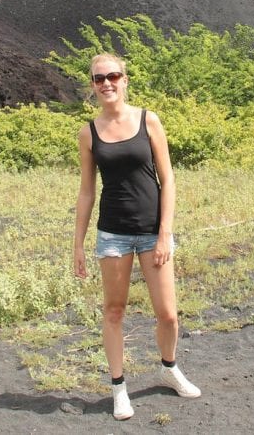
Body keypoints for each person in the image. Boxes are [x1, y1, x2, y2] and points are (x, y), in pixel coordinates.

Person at [73, 53, 201, 421]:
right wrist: (78, 244)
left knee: (168, 315)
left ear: (125, 79)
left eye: (113, 75)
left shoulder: (149, 120)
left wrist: (165, 233)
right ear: (92, 86)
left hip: (151, 232)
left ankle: (169, 367)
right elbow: (86, 192)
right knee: (114, 312)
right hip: (112, 234)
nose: (107, 83)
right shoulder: (89, 132)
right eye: (99, 79)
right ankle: (118, 389)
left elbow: (168, 179)